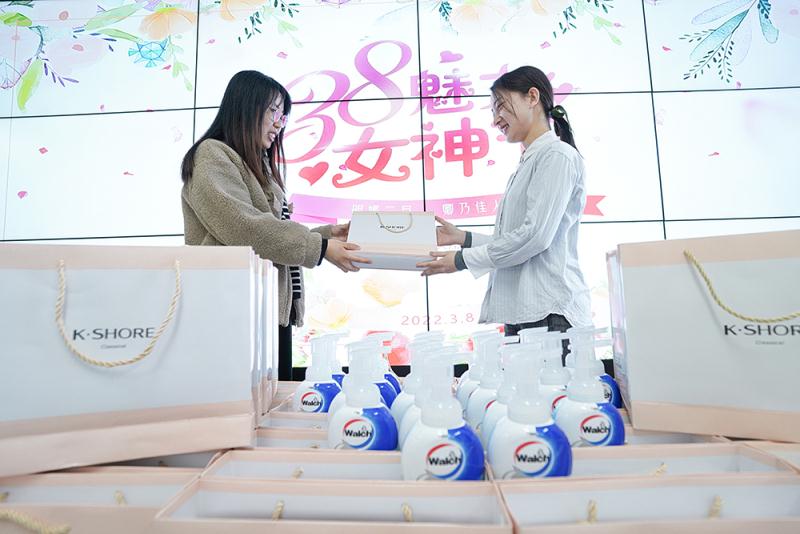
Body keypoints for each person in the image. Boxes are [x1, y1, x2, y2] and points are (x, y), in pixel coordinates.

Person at [181, 70, 369, 380]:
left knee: (269, 399)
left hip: (265, 311)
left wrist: (326, 235)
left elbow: (265, 230)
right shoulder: (212, 155)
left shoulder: (256, 164)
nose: (279, 124)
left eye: (283, 116)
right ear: (246, 107)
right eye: (273, 111)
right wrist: (321, 247)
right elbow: (244, 228)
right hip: (232, 312)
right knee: (241, 400)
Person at [417, 65, 591, 356]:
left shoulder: (556, 156)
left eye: (500, 106)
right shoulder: (532, 159)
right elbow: (517, 239)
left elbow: (534, 238)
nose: (495, 120)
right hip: (528, 314)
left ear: (532, 97)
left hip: (549, 314)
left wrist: (460, 260)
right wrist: (463, 238)